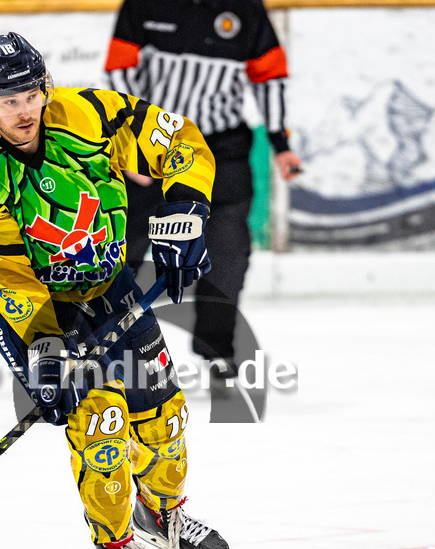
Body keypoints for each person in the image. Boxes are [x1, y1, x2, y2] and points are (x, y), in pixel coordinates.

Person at [0, 32, 229, 549]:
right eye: (7, 101)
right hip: (42, 307)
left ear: (45, 87)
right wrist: (45, 347)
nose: (23, 110)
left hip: (112, 284)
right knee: (101, 426)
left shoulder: (90, 114)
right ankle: (115, 548)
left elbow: (178, 139)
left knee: (165, 415)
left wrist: (187, 207)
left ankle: (163, 513)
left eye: (30, 94)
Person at [105, 0, 302, 388]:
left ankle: (216, 347)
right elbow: (119, 69)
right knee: (119, 248)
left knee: (228, 250)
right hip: (154, 145)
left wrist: (281, 144)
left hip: (220, 149)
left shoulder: (245, 9)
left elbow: (269, 76)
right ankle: (105, 342)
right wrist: (130, 141)